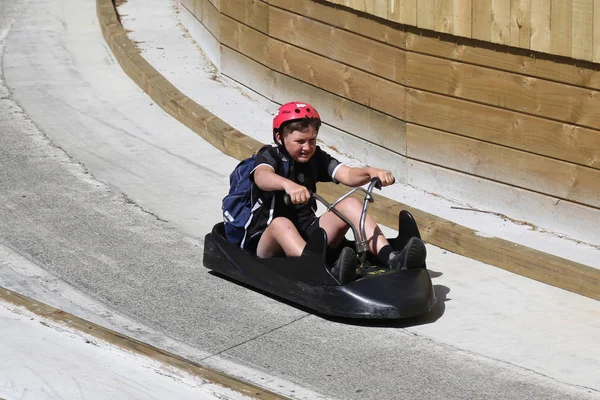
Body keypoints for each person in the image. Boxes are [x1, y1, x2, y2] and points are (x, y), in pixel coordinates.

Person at [242, 101, 426, 283]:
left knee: (351, 203)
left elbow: (346, 174)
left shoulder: (316, 157)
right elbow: (262, 176)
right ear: (280, 137)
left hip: (307, 236)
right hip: (266, 241)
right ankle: (320, 272)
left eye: (311, 140)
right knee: (281, 223)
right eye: (300, 141)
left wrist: (371, 172)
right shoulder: (269, 155)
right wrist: (288, 185)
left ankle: (392, 258)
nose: (307, 147)